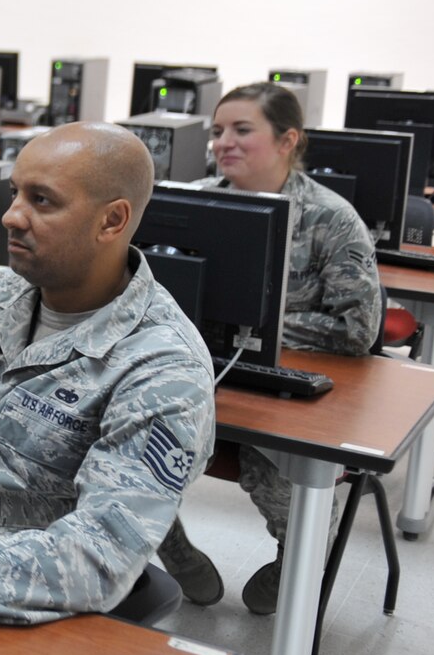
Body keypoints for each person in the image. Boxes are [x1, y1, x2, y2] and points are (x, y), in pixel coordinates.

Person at [0, 123, 216, 624]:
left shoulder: (162, 367)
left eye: (42, 200)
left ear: (112, 221)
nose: (11, 216)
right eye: (15, 193)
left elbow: (97, 556)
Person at [155, 83, 383, 614]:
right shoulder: (191, 202)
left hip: (289, 390)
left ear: (287, 141)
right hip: (201, 372)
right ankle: (173, 549)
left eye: (241, 130)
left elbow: (358, 330)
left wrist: (260, 326)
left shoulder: (332, 218)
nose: (222, 143)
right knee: (115, 446)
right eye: (216, 132)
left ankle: (295, 558)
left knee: (282, 483)